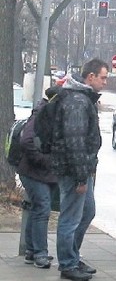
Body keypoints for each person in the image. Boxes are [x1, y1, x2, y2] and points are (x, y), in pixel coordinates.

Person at [52, 58, 109, 281]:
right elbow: (75, 142)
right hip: (73, 170)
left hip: (81, 168)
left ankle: (72, 257)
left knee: (87, 212)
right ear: (90, 77)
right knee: (70, 217)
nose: (105, 82)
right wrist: (80, 178)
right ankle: (67, 263)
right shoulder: (77, 101)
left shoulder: (83, 99)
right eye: (103, 77)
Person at [16, 87, 60, 269]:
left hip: (40, 172)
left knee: (37, 208)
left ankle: (31, 251)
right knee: (42, 208)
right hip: (34, 172)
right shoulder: (41, 114)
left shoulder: (48, 113)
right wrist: (45, 161)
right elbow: (26, 141)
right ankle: (40, 253)